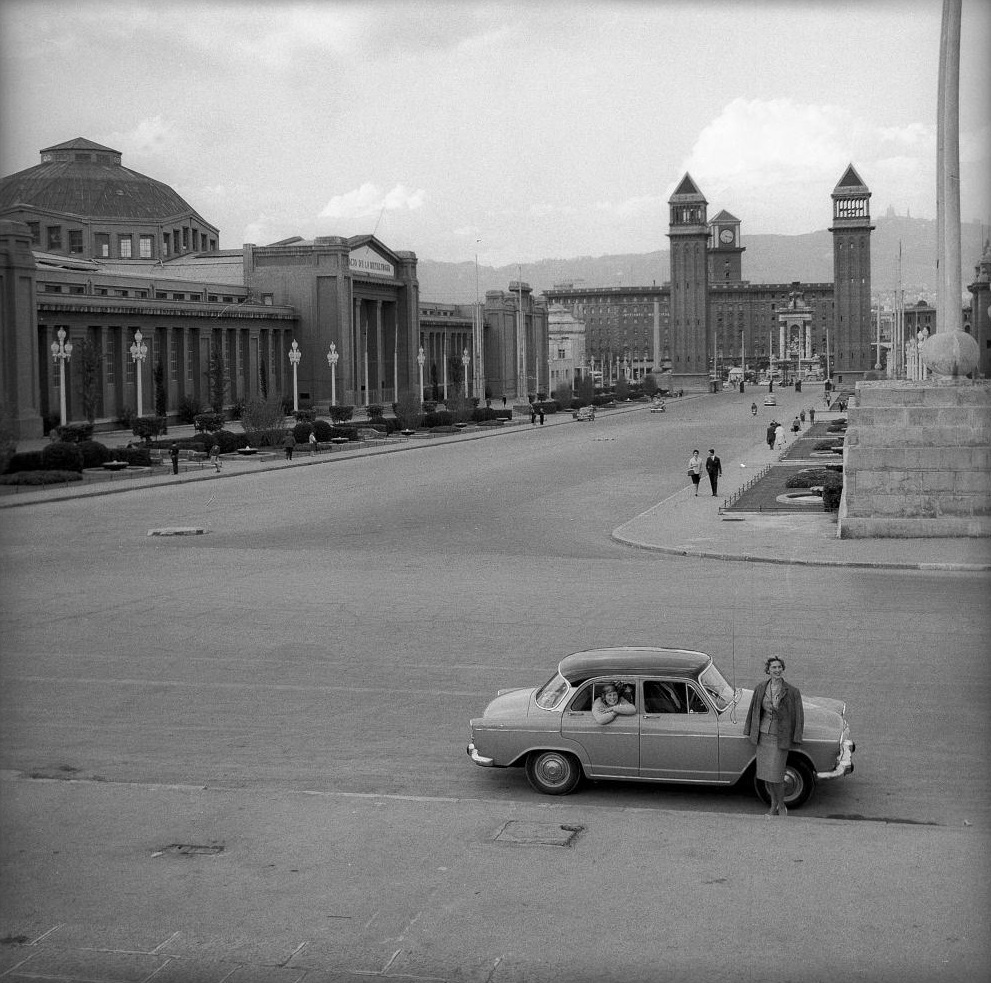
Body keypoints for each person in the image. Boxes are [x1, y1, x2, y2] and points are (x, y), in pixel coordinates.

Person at [744, 657, 804, 817]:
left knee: (777, 775)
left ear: (782, 669)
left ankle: (780, 805)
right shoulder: (760, 688)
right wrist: (749, 730)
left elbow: (799, 717)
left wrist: (797, 738)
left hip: (781, 737)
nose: (777, 670)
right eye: (774, 668)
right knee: (766, 775)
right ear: (768, 670)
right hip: (764, 735)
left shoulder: (792, 691)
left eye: (779, 667)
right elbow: (754, 710)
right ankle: (773, 805)